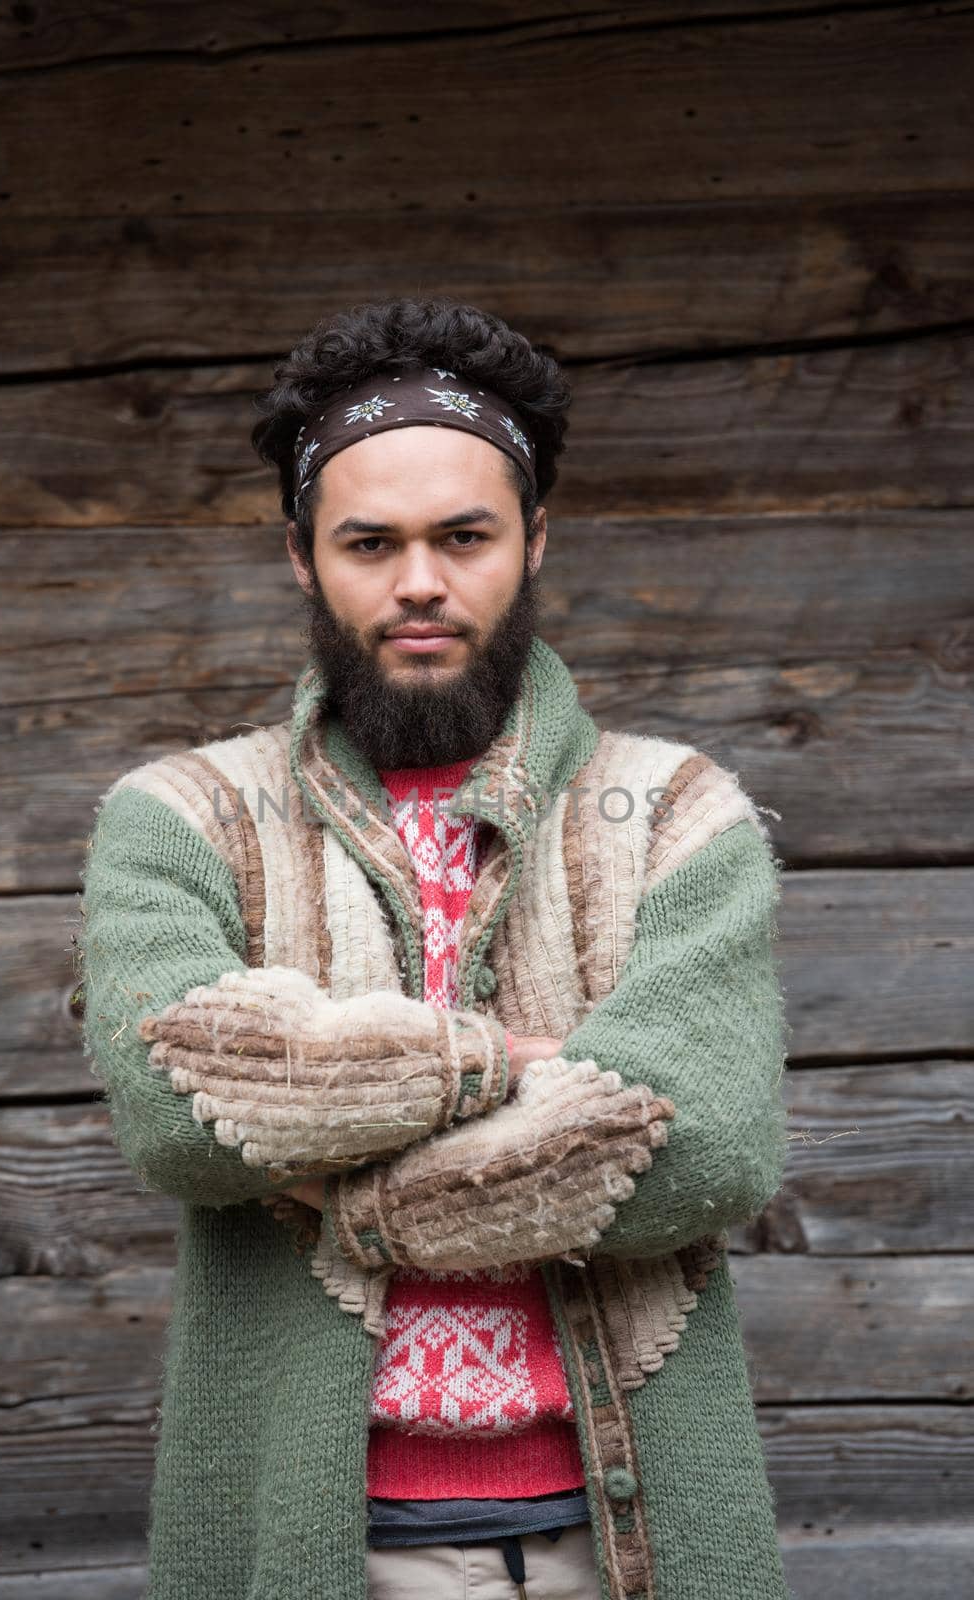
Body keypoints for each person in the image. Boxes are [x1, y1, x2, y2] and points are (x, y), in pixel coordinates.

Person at [78, 296, 793, 1599]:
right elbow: (178, 1110)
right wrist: (502, 1068)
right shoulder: (182, 819)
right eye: (372, 542)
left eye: (464, 536)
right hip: (315, 1540)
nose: (419, 580)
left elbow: (707, 1145)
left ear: (533, 541)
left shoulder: (680, 814)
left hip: (626, 1538)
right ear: (302, 556)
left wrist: (328, 1146)